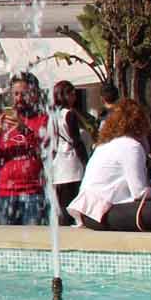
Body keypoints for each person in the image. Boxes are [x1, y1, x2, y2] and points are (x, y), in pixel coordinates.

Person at [69, 99, 151, 231]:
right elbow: (139, 192)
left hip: (88, 212)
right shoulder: (132, 146)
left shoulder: (105, 145)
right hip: (102, 212)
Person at [0, 73, 48, 224]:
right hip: (6, 192)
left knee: (33, 243)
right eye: (16, 94)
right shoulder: (4, 120)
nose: (19, 99)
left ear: (34, 94)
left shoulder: (43, 119)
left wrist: (24, 129)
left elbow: (44, 149)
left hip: (32, 193)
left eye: (23, 94)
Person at [45, 80, 93, 222]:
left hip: (58, 160)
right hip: (71, 160)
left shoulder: (53, 115)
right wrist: (86, 161)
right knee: (72, 196)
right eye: (72, 94)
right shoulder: (69, 114)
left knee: (61, 200)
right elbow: (76, 140)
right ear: (65, 96)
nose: (75, 97)